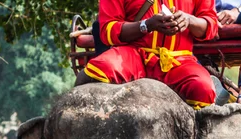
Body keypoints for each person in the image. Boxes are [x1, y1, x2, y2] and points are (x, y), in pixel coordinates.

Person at [77, 0, 219, 110]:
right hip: (133, 54)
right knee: (100, 69)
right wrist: (146, 25)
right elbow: (107, 30)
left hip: (179, 60)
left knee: (202, 88)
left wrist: (189, 20)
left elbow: (211, 25)